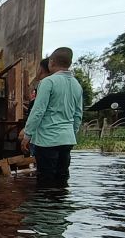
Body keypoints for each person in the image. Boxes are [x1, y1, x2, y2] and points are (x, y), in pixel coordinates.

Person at [19, 46, 83, 185]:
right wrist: (71, 133)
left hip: (48, 140)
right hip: (67, 139)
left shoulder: (48, 82)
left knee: (45, 180)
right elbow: (78, 114)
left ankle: (45, 207)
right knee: (62, 178)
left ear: (52, 62)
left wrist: (27, 135)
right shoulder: (76, 84)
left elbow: (38, 111)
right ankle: (60, 205)